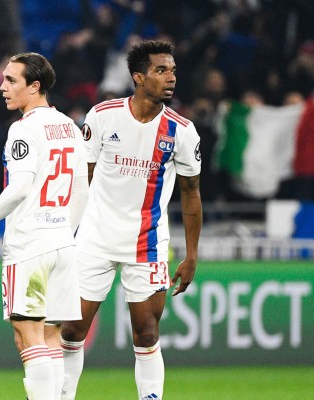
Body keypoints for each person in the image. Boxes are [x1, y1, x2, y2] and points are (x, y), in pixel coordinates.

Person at [59, 40, 203, 400]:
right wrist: (65, 234)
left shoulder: (182, 131)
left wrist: (192, 254)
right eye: (161, 70)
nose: (171, 78)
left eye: (172, 71)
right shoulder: (102, 116)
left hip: (148, 243)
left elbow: (191, 193)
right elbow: (81, 180)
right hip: (95, 239)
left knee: (147, 333)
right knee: (72, 331)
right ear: (138, 77)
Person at [0, 52, 89, 400]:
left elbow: (19, 187)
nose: (2, 87)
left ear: (34, 86)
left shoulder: (23, 128)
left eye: (11, 80)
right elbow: (82, 190)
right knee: (49, 337)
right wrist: (62, 229)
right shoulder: (70, 126)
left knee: (28, 336)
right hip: (62, 243)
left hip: (30, 245)